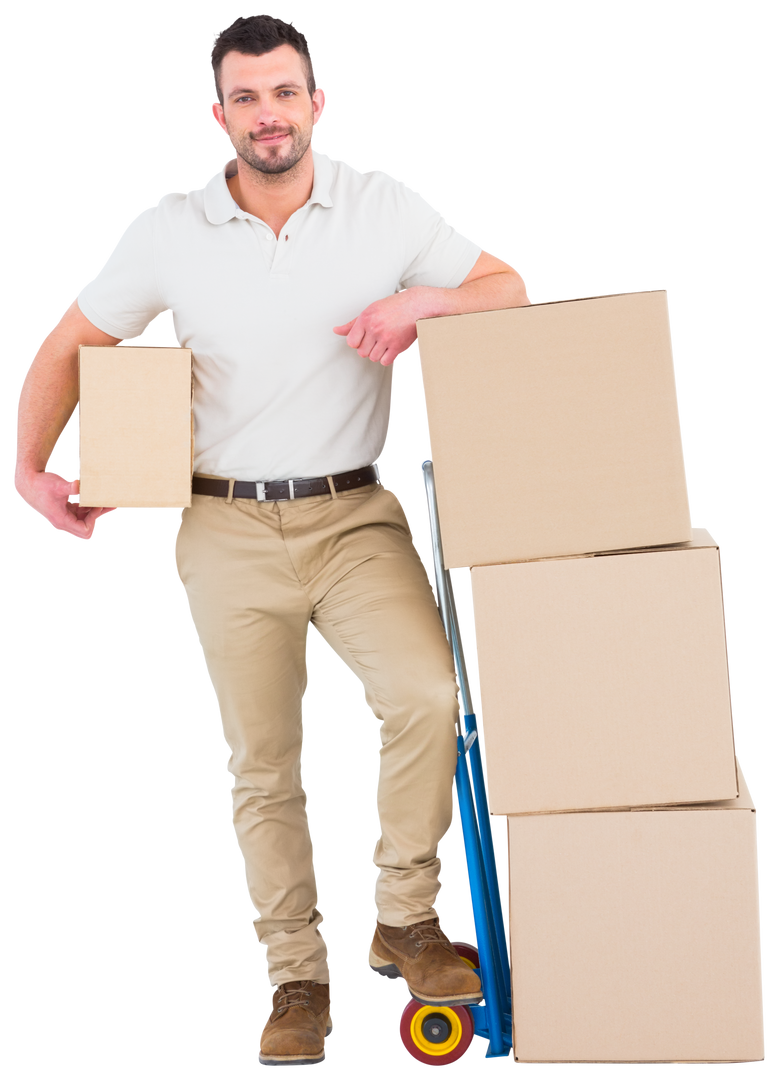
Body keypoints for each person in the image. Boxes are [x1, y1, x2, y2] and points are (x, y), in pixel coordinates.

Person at [12, 12, 531, 1069]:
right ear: (219, 114)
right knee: (263, 764)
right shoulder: (168, 228)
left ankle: (404, 917)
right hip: (222, 526)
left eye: (284, 93)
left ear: (315, 103)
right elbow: (73, 339)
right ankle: (295, 977)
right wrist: (29, 470)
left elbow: (507, 288)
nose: (268, 114)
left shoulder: (379, 204)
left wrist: (421, 304)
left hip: (355, 514)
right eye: (245, 97)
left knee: (429, 698)